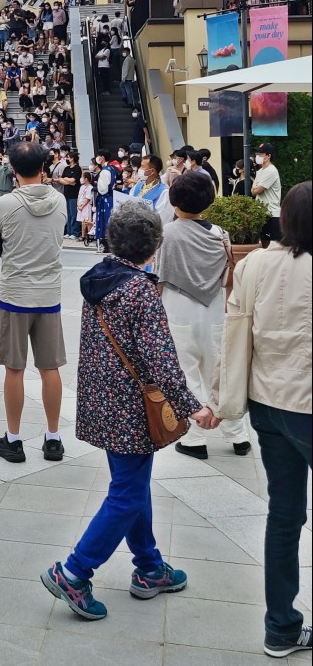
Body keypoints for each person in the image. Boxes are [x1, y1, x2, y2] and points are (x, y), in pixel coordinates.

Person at [42, 200, 204, 622]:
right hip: (132, 407)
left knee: (132, 485)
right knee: (128, 492)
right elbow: (161, 359)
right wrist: (192, 407)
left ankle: (149, 566)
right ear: (154, 246)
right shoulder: (140, 291)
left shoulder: (99, 279)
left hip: (102, 400)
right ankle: (74, 572)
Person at [208, 181, 312, 659]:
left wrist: (221, 399)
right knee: (285, 515)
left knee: (284, 516)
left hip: (268, 404)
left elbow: (234, 335)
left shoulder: (254, 265)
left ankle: (281, 627)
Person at [157, 170, 250, 459]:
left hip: (178, 310)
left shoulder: (167, 234)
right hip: (213, 311)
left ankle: (194, 437)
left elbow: (159, 278)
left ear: (174, 201)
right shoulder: (221, 235)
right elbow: (226, 276)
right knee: (218, 373)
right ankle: (238, 434)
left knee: (185, 373)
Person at [0, 140, 68, 464]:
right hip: (49, 294)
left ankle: (13, 438)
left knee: (14, 368)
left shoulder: (6, 203)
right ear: (43, 167)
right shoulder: (60, 200)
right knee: (50, 367)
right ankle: (53, 438)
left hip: (15, 295)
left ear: (13, 170)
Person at [251, 142, 282, 243]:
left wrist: (256, 188)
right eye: (257, 154)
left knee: (272, 246)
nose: (257, 156)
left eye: (260, 154)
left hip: (271, 214)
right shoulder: (260, 171)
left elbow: (257, 190)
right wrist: (255, 188)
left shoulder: (271, 171)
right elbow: (253, 191)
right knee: (263, 243)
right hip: (261, 214)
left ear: (268, 156)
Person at [93, 152, 114, 253]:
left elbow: (103, 189)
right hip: (109, 197)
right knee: (108, 219)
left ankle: (106, 243)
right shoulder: (111, 168)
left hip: (105, 198)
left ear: (102, 157)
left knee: (104, 219)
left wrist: (97, 189)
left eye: (98, 156)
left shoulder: (105, 171)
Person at [77, 171, 95, 245]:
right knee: (82, 220)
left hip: (86, 206)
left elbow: (88, 198)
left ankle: (89, 235)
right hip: (80, 205)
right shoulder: (82, 187)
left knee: (87, 220)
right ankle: (83, 235)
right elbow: (79, 196)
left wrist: (82, 206)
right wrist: (78, 205)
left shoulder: (90, 187)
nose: (81, 179)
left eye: (82, 177)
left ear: (86, 179)